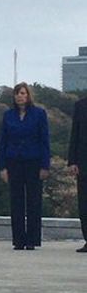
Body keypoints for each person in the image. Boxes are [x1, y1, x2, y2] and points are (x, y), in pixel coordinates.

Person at [0, 82, 50, 251]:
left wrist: (45, 165)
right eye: (17, 93)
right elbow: (3, 142)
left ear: (28, 96)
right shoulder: (8, 115)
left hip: (34, 161)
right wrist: (3, 167)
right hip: (14, 161)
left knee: (34, 201)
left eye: (23, 93)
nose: (20, 96)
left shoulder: (39, 114)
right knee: (16, 201)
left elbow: (44, 141)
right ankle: (18, 239)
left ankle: (32, 239)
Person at [69, 95, 87, 253]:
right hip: (83, 162)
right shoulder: (80, 105)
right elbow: (74, 134)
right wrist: (73, 161)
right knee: (84, 204)